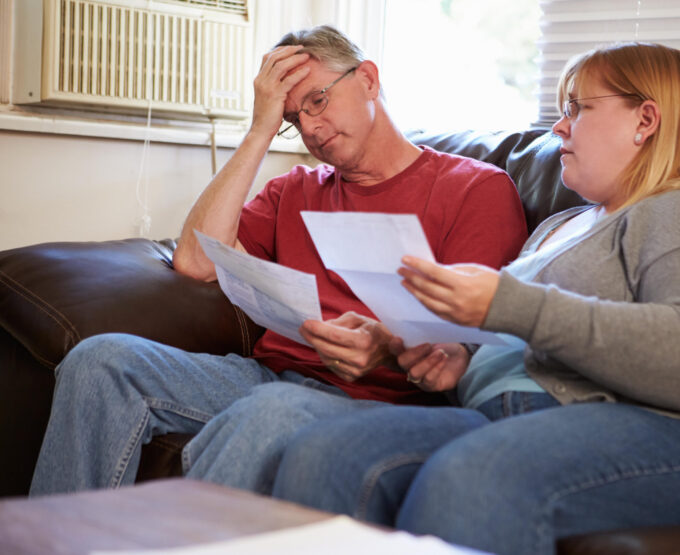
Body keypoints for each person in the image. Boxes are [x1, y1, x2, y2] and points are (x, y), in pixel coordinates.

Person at [270, 42, 680, 554]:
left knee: (474, 475)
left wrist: (508, 304)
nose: (559, 127)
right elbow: (520, 339)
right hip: (505, 420)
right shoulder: (559, 228)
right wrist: (452, 355)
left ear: (644, 120)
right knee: (327, 452)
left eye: (579, 108)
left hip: (676, 442)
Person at [28, 25, 528, 496]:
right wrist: (259, 131)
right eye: (293, 119)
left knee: (274, 409)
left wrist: (387, 345)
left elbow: (471, 339)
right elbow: (196, 261)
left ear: (369, 79)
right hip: (272, 377)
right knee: (100, 361)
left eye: (318, 100)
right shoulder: (296, 189)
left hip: (385, 403)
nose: (310, 127)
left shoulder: (475, 187)